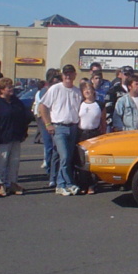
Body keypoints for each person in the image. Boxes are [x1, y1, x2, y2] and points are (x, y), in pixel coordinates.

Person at [0, 77, 34, 197]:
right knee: (2, 162)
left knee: (14, 162)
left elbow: (24, 117)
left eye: (12, 87)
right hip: (2, 138)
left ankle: (12, 183)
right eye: (8, 87)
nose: (11, 89)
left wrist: (24, 132)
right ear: (1, 90)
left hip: (16, 136)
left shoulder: (16, 102)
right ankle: (0, 184)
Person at [38, 64, 83, 197]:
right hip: (59, 127)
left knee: (67, 157)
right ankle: (63, 184)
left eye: (70, 74)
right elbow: (43, 106)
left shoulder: (77, 91)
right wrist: (48, 124)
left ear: (74, 75)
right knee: (64, 157)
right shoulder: (55, 89)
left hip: (73, 127)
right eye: (65, 74)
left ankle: (64, 183)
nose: (68, 76)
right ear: (62, 76)